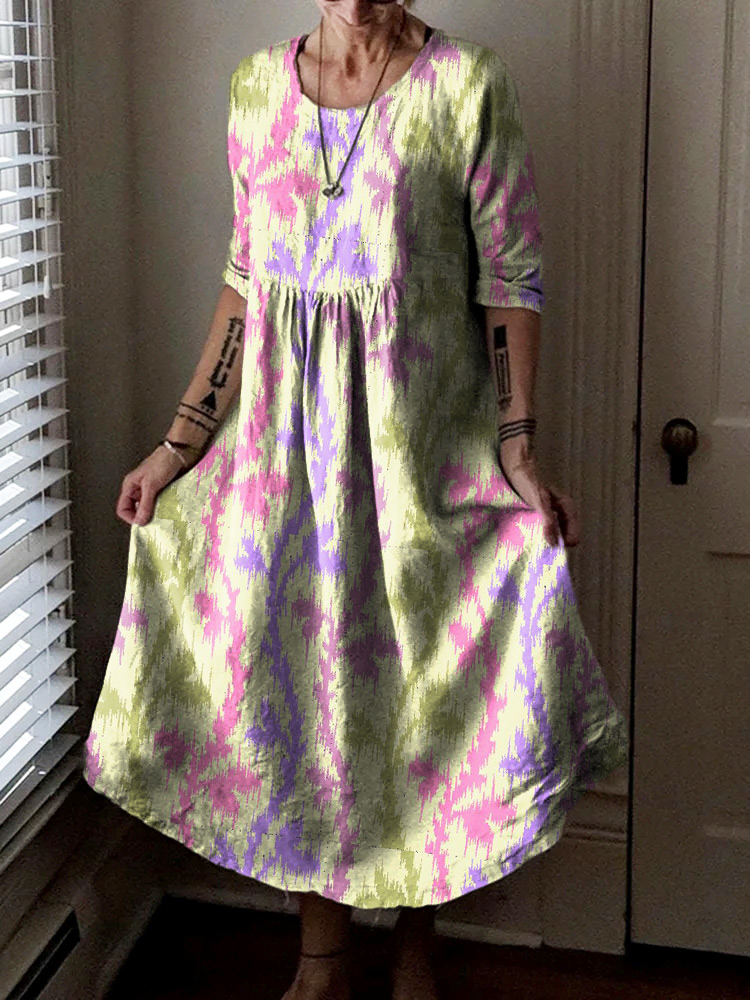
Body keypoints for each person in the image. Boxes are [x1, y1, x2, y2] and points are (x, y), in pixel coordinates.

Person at [84, 2, 630, 999]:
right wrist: (178, 443)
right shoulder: (255, 90)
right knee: (303, 699)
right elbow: (245, 283)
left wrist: (518, 446)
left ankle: (417, 943)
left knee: (423, 704)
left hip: (421, 464)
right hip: (284, 470)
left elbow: (511, 278)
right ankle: (322, 956)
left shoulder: (466, 85)